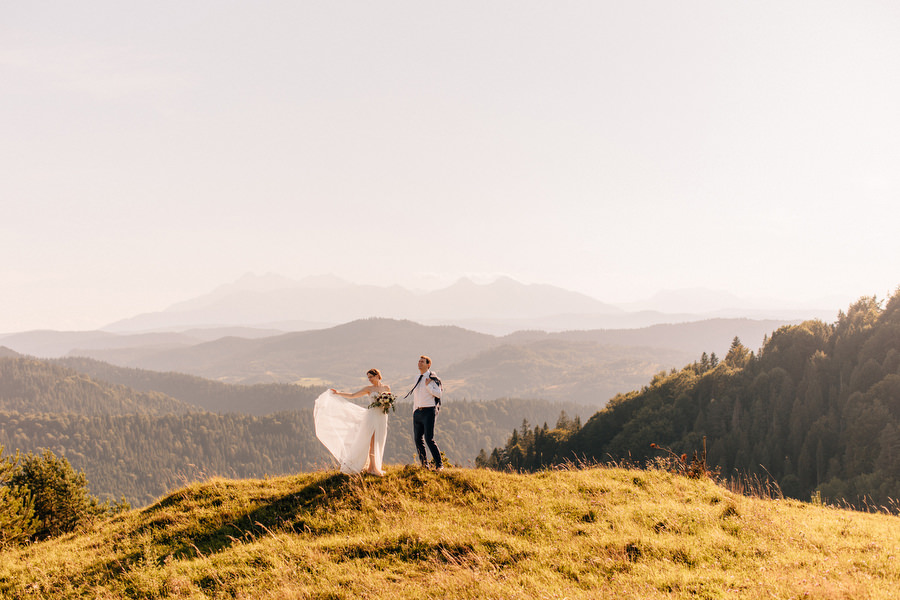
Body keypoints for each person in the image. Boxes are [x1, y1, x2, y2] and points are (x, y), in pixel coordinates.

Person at [313, 368, 390, 476]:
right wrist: (338, 393)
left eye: (371, 377)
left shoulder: (386, 387)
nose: (369, 379)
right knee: (372, 442)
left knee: (379, 441)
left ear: (377, 375)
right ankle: (373, 468)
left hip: (382, 417)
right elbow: (353, 395)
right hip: (372, 417)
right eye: (368, 378)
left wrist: (387, 404)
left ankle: (372, 467)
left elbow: (389, 402)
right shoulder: (369, 389)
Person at [405, 355, 443, 470]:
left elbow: (439, 394)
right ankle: (424, 465)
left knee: (429, 439)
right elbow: (416, 396)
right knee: (417, 439)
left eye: (422, 362)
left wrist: (428, 386)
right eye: (419, 361)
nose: (419, 363)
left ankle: (439, 465)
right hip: (418, 411)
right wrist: (414, 410)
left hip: (429, 411)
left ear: (428, 365)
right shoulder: (417, 377)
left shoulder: (434, 378)